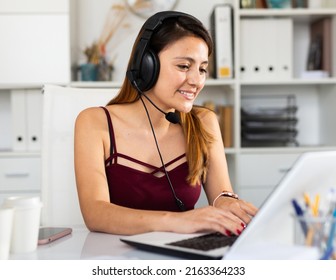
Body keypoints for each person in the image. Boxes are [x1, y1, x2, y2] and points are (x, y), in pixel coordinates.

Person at [74, 11, 257, 236]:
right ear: (147, 65)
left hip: (185, 255)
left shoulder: (204, 122)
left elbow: (221, 194)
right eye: (183, 66)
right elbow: (95, 214)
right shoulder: (94, 122)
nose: (196, 81)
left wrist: (226, 203)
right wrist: (176, 221)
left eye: (202, 69)